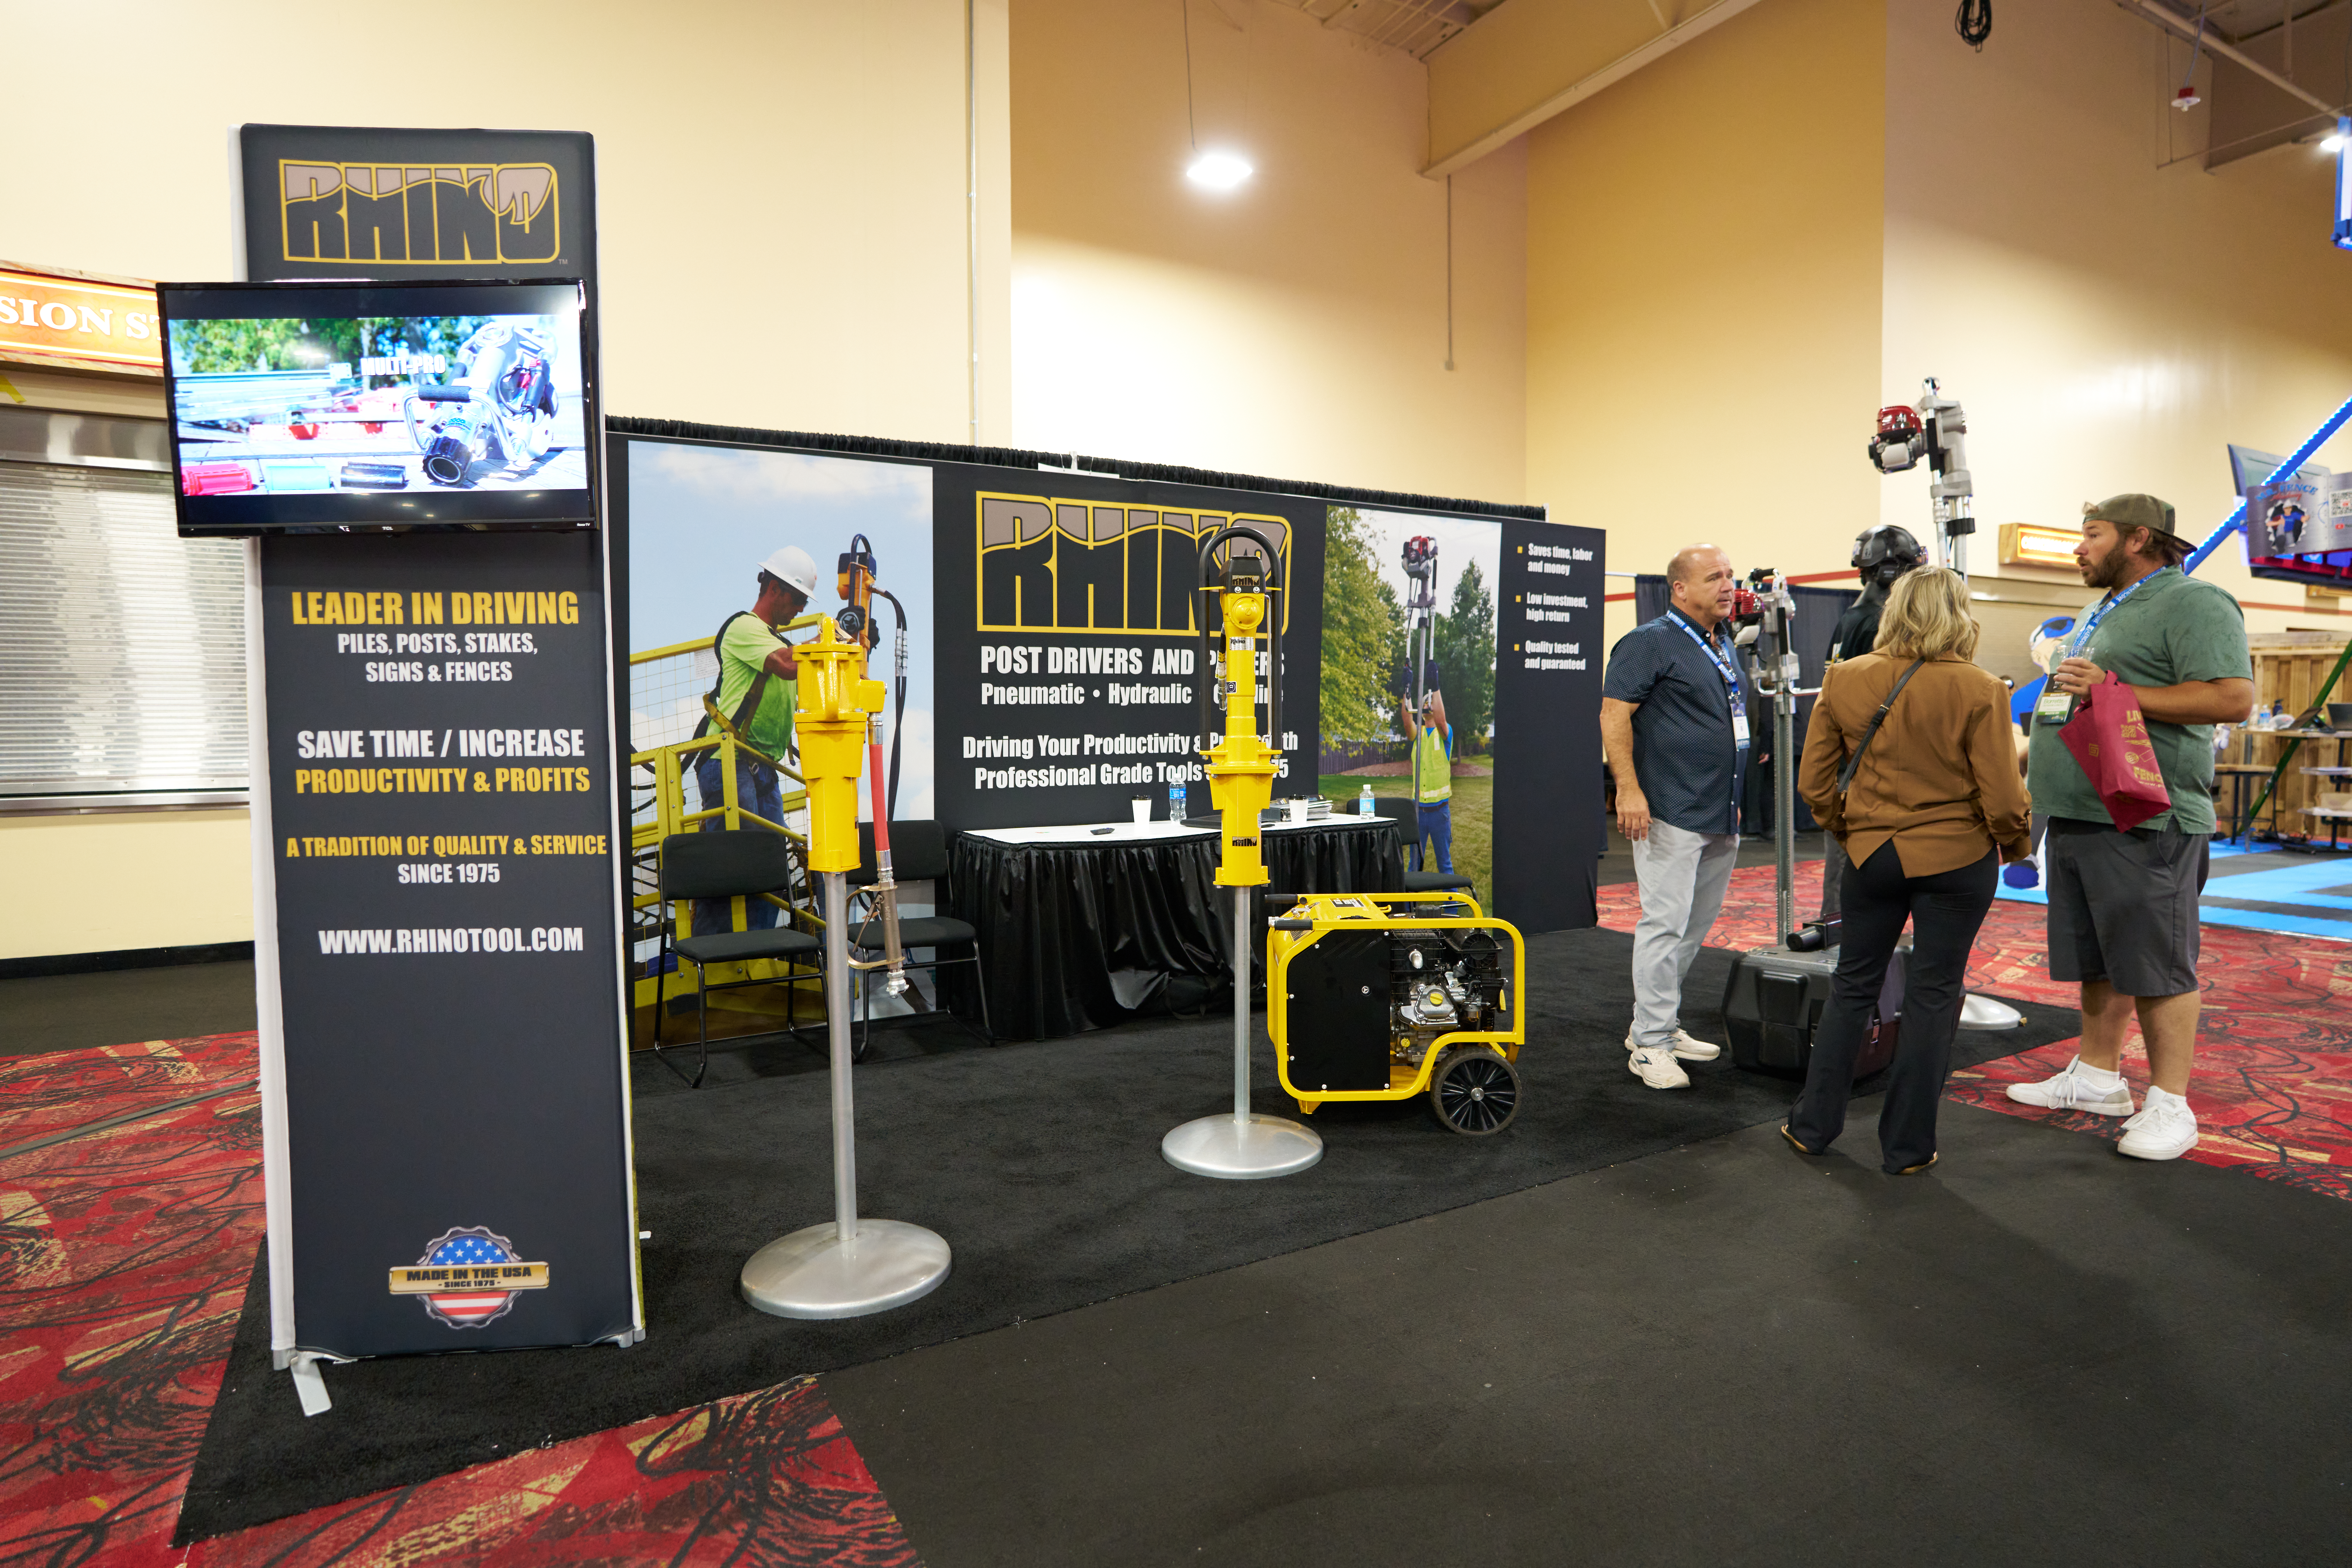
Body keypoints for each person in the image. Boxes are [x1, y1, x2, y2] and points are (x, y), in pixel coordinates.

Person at [2006, 494, 2254, 1161]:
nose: (2079, 549)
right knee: (2099, 957)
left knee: (2158, 962)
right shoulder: (2099, 608)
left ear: (2139, 538)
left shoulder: (2196, 603)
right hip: (2080, 813)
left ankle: (2171, 1105)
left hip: (2149, 817)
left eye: (2092, 535)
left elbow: (2233, 697)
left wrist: (2116, 692)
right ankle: (2097, 1076)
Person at [1785, 567, 2032, 1172]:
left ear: (1894, 611)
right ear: (1959, 614)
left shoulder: (1842, 679)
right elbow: (2002, 795)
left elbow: (1813, 784)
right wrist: (2015, 846)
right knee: (1933, 994)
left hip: (1871, 857)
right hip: (1957, 860)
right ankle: (1907, 1147)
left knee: (1852, 986)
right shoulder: (1981, 689)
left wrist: (1852, 830)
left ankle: (1812, 1127)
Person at [1600, 544, 1750, 1089]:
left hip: (1720, 810)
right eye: (1715, 578)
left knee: (1694, 927)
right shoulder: (1649, 642)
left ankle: (1657, 1024)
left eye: (1730, 576)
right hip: (1671, 808)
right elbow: (1614, 714)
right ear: (1680, 590)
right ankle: (1650, 1046)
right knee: (1665, 926)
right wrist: (1628, 789)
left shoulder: (1722, 642)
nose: (1729, 586)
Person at [690, 545, 821, 937]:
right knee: (734, 866)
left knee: (771, 870)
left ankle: (758, 949)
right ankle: (717, 956)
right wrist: (830, 646)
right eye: (799, 599)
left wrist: (842, 646)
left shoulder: (777, 640)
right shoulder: (745, 628)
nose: (799, 609)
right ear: (776, 589)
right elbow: (786, 666)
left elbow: (802, 667)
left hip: (760, 768)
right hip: (728, 763)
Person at [1817, 525, 1926, 922]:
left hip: (1855, 766)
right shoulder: (1879, 623)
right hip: (1869, 770)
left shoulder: (1853, 618)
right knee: (1855, 877)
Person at [1398, 688, 1454, 873]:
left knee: (1445, 864)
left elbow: (1441, 720)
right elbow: (1407, 722)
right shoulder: (1417, 735)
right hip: (1418, 813)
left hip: (1440, 813)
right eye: (1425, 703)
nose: (1428, 705)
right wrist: (1406, 691)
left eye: (1432, 702)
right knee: (1414, 865)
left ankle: (1450, 903)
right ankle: (1410, 904)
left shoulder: (1445, 733)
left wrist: (1436, 687)